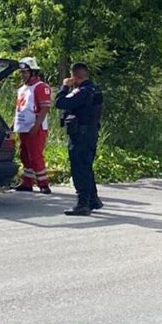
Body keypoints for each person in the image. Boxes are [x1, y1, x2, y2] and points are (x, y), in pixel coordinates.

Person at [54, 62, 103, 215]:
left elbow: (59, 102)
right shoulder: (96, 90)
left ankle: (82, 204)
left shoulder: (81, 91)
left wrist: (64, 87)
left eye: (71, 76)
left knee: (79, 169)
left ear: (75, 77)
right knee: (86, 167)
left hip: (80, 136)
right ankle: (93, 199)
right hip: (91, 133)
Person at [13, 57, 52, 194]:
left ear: (33, 72)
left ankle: (43, 184)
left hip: (36, 128)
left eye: (25, 72)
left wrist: (36, 126)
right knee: (24, 155)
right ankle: (27, 182)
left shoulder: (41, 87)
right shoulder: (22, 89)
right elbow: (19, 109)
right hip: (23, 127)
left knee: (35, 155)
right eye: (21, 72)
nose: (22, 75)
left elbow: (45, 108)